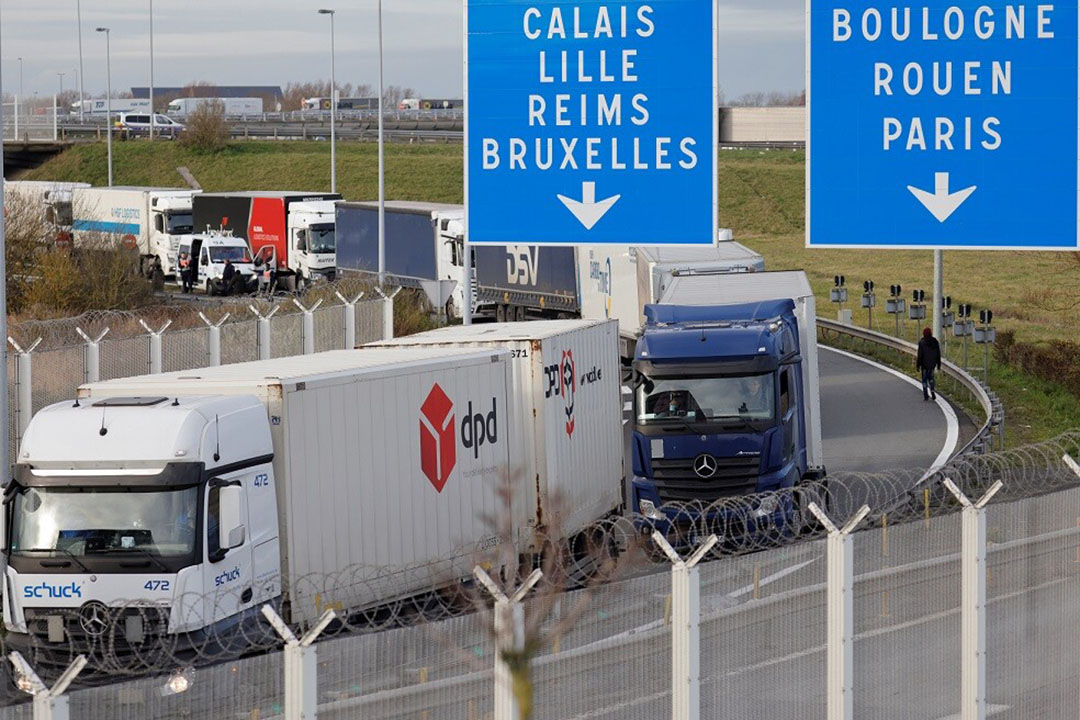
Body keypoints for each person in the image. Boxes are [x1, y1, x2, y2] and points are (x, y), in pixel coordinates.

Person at [916, 327, 942, 401]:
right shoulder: (935, 341)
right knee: (931, 378)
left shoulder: (922, 342)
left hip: (924, 364)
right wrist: (938, 364)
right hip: (932, 364)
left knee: (924, 380)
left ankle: (925, 395)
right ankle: (932, 389)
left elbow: (920, 355)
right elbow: (938, 354)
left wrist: (918, 365)